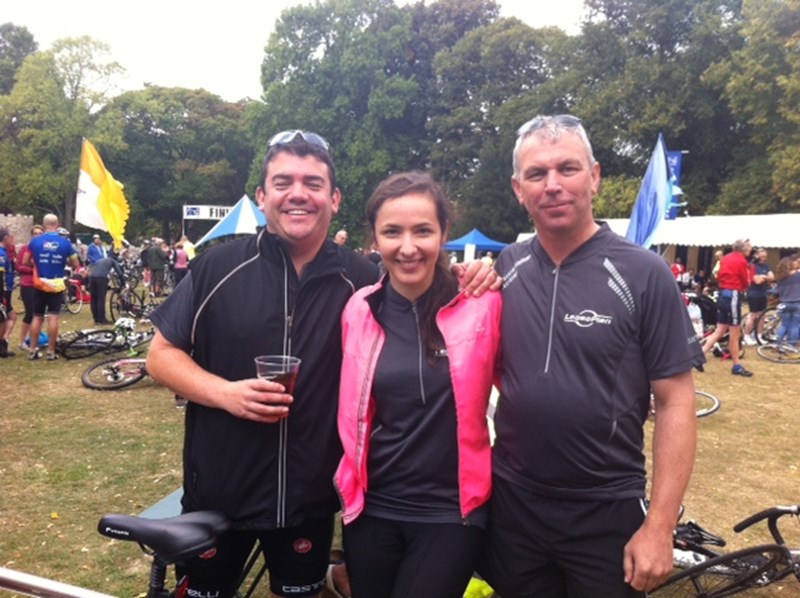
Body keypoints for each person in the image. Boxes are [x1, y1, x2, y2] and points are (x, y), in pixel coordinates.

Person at [145, 130, 497, 598]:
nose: (298, 194)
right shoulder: (217, 267)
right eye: (283, 182)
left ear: (334, 199)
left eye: (313, 183)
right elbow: (160, 356)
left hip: (310, 501)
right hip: (221, 492)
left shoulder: (364, 282)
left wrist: (471, 275)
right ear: (262, 196)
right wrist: (225, 393)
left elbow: (422, 293)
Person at [481, 115, 703, 597]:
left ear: (595, 176)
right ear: (518, 189)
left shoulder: (644, 273)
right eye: (537, 174)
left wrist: (660, 527)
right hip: (514, 501)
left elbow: (676, 402)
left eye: (568, 168)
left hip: (605, 506)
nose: (552, 185)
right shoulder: (507, 266)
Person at [335, 172, 502, 598]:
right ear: (374, 238)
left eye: (423, 231)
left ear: (444, 233)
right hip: (372, 507)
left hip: (451, 511)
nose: (408, 247)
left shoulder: (483, 303)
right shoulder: (359, 309)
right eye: (392, 232)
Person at [24, 214, 79, 360]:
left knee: (37, 317)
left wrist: (38, 264)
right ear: (57, 224)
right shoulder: (65, 243)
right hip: (56, 284)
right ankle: (51, 351)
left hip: (40, 283)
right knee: (53, 317)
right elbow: (75, 263)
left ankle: (32, 350)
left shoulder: (35, 241)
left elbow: (25, 261)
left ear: (44, 224)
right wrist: (62, 261)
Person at [700, 238, 754, 376]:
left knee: (720, 330)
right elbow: (745, 280)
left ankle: (699, 356)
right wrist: (746, 284)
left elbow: (718, 275)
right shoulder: (742, 261)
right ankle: (736, 365)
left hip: (723, 293)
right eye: (749, 247)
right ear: (743, 248)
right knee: (735, 332)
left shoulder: (725, 258)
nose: (751, 249)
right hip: (733, 293)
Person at [15, 224, 45, 352]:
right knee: (30, 313)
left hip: (42, 284)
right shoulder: (25, 248)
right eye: (35, 233)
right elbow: (19, 266)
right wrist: (33, 269)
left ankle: (34, 339)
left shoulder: (44, 249)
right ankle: (21, 342)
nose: (37, 235)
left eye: (40, 233)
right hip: (28, 284)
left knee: (39, 314)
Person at [743, 247, 774, 345]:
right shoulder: (752, 266)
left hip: (762, 293)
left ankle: (759, 335)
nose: (764, 258)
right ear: (757, 256)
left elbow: (772, 277)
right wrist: (765, 277)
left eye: (765, 257)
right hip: (753, 293)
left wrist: (763, 277)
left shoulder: (766, 266)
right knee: (753, 315)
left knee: (762, 315)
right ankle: (746, 336)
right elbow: (757, 281)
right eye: (762, 256)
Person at [88, 253, 125, 324]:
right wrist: (123, 283)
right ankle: (102, 319)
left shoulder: (100, 260)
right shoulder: (113, 261)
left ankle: (96, 319)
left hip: (92, 277)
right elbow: (119, 273)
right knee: (101, 298)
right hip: (101, 278)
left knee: (93, 298)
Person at [773, 254, 800, 346]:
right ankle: (791, 344)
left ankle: (777, 343)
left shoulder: (780, 278)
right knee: (794, 325)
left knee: (784, 325)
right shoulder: (798, 275)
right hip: (797, 303)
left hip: (784, 303)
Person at [0, 227, 17, 357]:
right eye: (11, 237)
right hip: (3, 292)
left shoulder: (5, 252)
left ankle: (4, 342)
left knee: (11, 316)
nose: (13, 240)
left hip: (7, 290)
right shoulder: (1, 254)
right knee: (3, 319)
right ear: (5, 238)